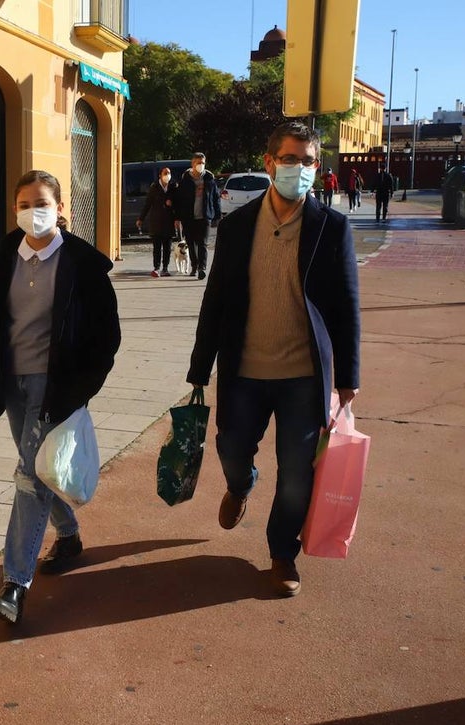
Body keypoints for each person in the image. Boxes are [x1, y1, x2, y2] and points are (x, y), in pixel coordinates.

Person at [187, 122, 360, 598]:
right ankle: (241, 485)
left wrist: (348, 376)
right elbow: (215, 299)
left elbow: (346, 305)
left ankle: (283, 552)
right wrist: (199, 368)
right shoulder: (237, 226)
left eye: (307, 161)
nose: (298, 168)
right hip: (244, 370)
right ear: (269, 163)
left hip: (303, 376)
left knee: (297, 475)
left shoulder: (332, 227)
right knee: (231, 449)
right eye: (289, 159)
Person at [0, 170, 121, 624]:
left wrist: (79, 390)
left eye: (42, 203)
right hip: (12, 382)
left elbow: (105, 336)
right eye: (24, 204)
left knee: (30, 476)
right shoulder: (1, 260)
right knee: (38, 467)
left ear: (60, 208)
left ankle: (15, 582)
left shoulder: (83, 265)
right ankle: (68, 535)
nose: (33, 212)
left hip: (57, 386)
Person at [173, 152, 221, 280]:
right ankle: (194, 265)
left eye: (203, 163)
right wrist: (177, 217)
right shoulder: (185, 180)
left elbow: (215, 198)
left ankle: (202, 268)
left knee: (203, 243)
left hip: (205, 216)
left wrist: (217, 216)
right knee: (190, 242)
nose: (201, 165)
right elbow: (179, 199)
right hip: (188, 217)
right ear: (193, 164)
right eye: (198, 163)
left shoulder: (209, 178)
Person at [137, 167, 178, 277]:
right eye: (165, 173)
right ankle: (156, 268)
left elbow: (178, 203)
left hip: (169, 221)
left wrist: (173, 207)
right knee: (157, 247)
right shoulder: (154, 187)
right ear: (160, 175)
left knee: (167, 247)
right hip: (156, 221)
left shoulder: (173, 186)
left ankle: (165, 268)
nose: (167, 175)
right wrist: (141, 218)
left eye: (169, 173)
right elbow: (148, 204)